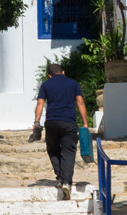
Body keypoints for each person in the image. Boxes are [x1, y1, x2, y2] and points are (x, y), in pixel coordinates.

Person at [32, 62, 88, 199]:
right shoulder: (73, 83)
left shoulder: (46, 84)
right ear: (63, 72)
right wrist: (85, 123)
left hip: (51, 122)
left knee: (52, 149)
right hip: (68, 122)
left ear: (50, 75)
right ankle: (66, 182)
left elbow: (40, 103)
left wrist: (36, 122)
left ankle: (60, 176)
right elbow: (80, 102)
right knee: (68, 152)